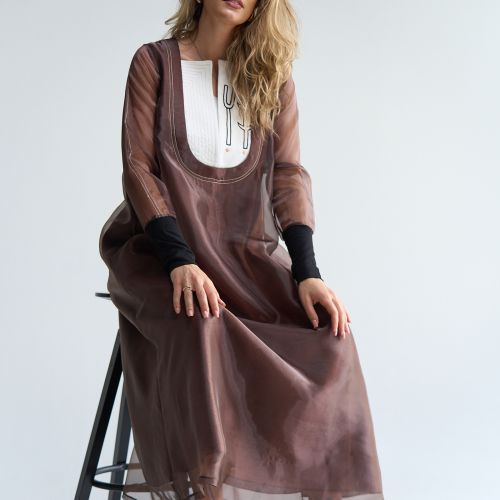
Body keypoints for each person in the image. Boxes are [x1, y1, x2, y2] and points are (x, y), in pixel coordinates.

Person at [98, 0, 384, 498]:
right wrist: (179, 260)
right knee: (201, 323)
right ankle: (206, 487)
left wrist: (308, 272)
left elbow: (288, 177)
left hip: (241, 257)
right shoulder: (154, 62)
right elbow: (138, 169)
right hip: (155, 253)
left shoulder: (272, 79)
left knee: (330, 338)